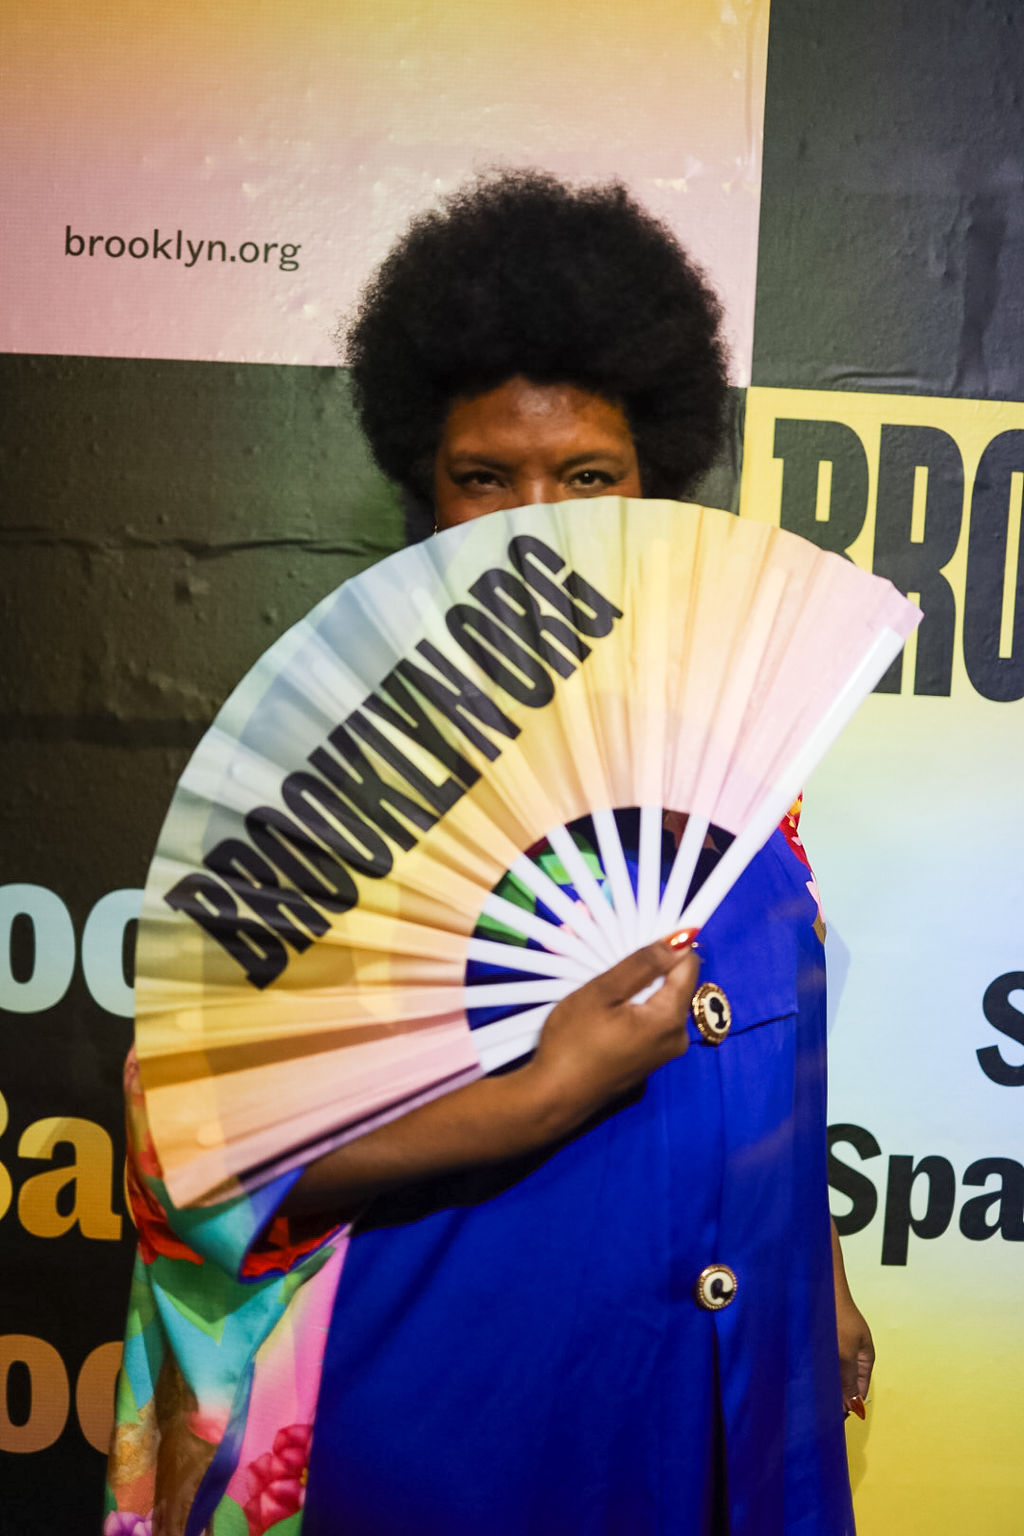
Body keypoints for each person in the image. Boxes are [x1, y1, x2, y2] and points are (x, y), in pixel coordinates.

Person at [106, 172, 872, 1536]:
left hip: (728, 1416)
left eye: (586, 475)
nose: (538, 515)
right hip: (459, 1426)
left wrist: (816, 1264)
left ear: (652, 484)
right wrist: (537, 1095)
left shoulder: (729, 751)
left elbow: (763, 1055)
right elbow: (188, 1146)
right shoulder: (339, 777)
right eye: (484, 477)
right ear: (424, 484)